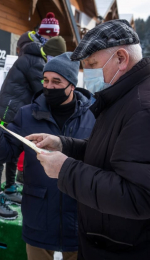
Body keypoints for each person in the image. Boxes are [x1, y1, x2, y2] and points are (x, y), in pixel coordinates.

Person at [27, 20, 150, 260]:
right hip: (106, 242)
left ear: (121, 59)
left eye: (92, 64)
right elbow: (110, 154)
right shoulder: (120, 95)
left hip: (123, 249)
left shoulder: (141, 107)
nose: (89, 74)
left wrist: (65, 170)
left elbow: (139, 196)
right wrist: (65, 145)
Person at [0, 52, 95, 260]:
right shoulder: (27, 114)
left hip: (79, 219)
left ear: (71, 85)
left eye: (56, 81)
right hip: (39, 216)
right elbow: (5, 153)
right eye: (45, 80)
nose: (49, 86)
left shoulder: (93, 115)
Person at [0, 36, 67, 220]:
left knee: (15, 151)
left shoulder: (36, 59)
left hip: (15, 110)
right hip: (7, 111)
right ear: (52, 54)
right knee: (0, 154)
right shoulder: (35, 62)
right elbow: (42, 91)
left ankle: (9, 187)